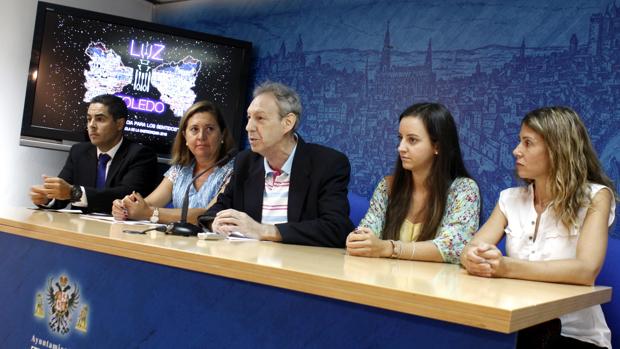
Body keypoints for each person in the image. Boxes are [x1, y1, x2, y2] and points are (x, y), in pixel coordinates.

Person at [461, 106, 617, 348]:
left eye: (527, 143)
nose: (516, 151)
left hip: (574, 335)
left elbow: (586, 271)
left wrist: (507, 267)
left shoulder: (597, 197)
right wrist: (471, 257)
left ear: (557, 149)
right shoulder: (509, 199)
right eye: (519, 142)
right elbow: (471, 248)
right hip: (517, 329)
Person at [204, 81, 354, 247]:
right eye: (249, 117)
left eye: (260, 118)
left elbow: (336, 229)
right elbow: (215, 211)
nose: (248, 127)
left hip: (300, 265)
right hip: (247, 263)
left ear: (287, 123)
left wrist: (264, 231)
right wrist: (215, 223)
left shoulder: (327, 163)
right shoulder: (245, 162)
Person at [346, 103, 480, 263]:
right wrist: (359, 240)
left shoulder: (464, 189)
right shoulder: (388, 186)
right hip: (386, 281)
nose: (401, 148)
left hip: (436, 285)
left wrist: (389, 248)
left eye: (412, 140)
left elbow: (452, 248)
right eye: (400, 138)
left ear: (437, 146)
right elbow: (368, 229)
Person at [29, 94, 159, 213]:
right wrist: (46, 198)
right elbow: (62, 195)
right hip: (78, 229)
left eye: (100, 119)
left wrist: (75, 193)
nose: (91, 125)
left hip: (118, 230)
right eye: (89, 119)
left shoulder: (141, 155)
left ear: (119, 124)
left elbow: (126, 195)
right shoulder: (78, 152)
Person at [111, 100, 235, 224]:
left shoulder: (234, 170)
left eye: (210, 129)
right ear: (185, 137)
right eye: (194, 129)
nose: (201, 136)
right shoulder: (180, 169)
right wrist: (125, 206)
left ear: (222, 135)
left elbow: (208, 215)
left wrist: (149, 213)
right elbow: (147, 204)